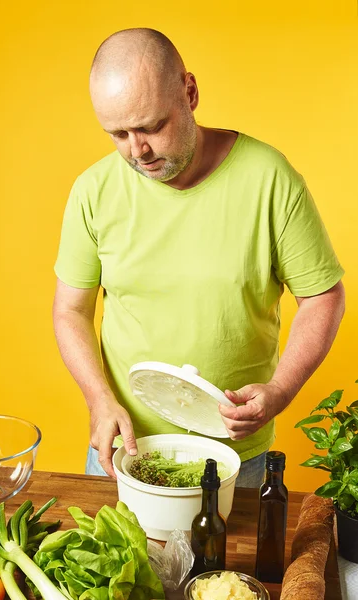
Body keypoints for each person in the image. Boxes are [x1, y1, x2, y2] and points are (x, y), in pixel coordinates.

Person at [52, 28, 345, 487]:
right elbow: (70, 310)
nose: (137, 151)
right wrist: (98, 398)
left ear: (189, 92)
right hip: (127, 449)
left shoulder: (270, 178)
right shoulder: (93, 190)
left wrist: (280, 390)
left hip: (233, 456)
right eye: (118, 134)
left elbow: (322, 297)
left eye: (150, 126)